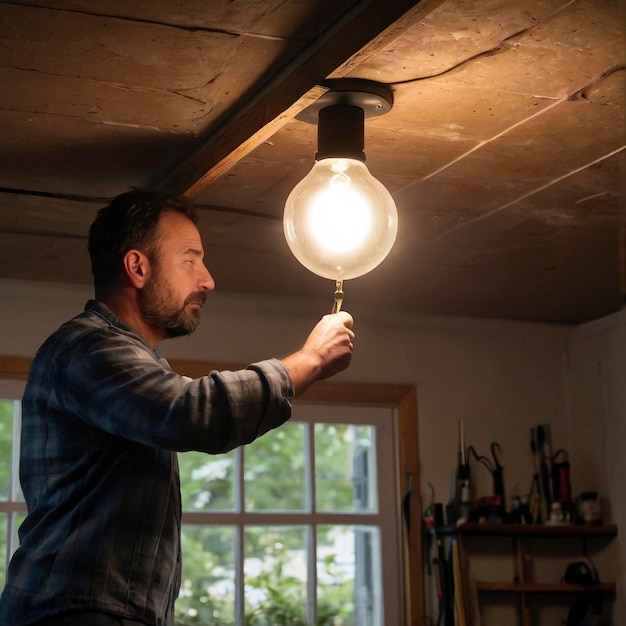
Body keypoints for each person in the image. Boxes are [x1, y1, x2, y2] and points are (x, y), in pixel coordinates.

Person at [0, 188, 355, 626]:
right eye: (191, 259)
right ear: (138, 267)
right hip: (74, 613)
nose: (207, 280)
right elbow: (191, 413)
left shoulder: (127, 360)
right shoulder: (89, 347)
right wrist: (311, 360)